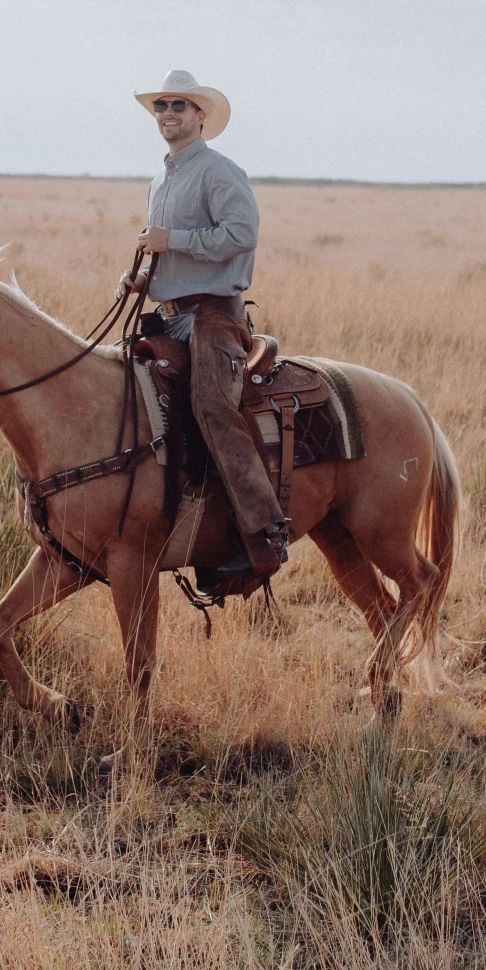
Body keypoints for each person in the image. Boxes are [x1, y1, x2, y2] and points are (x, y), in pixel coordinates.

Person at [129, 70, 290, 585]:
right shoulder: (162, 179)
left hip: (215, 316)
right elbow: (167, 250)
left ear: (201, 116)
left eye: (179, 105)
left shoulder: (219, 171)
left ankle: (264, 536)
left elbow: (241, 234)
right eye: (161, 106)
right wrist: (139, 278)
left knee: (212, 405)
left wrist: (171, 239)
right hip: (172, 315)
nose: (169, 113)